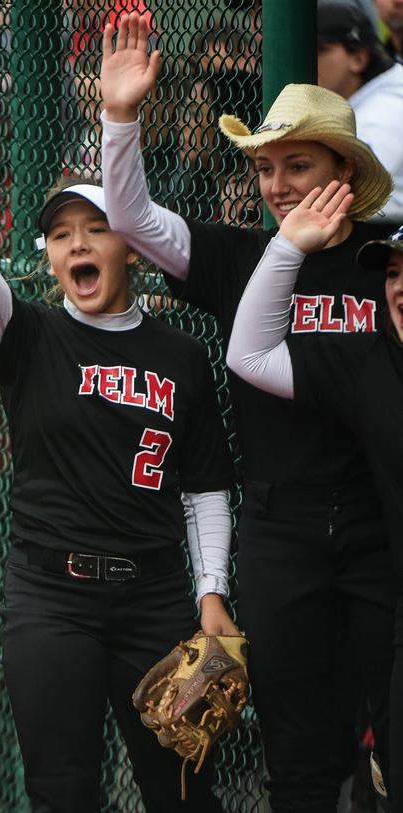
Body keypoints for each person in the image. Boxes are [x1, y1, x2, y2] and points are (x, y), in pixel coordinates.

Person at [100, 12, 397, 810]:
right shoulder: (239, 254)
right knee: (300, 756)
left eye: (297, 164)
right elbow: (130, 219)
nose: (276, 185)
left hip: (381, 527)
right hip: (281, 529)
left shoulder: (386, 260)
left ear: (343, 167)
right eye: (265, 168)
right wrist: (121, 117)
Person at [0, 100, 239, 812]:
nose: (76, 245)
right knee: (62, 788)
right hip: (50, 598)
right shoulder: (30, 336)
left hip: (154, 599)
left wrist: (210, 593)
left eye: (95, 229)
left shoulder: (182, 356)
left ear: (129, 244)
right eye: (61, 235)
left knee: (182, 787)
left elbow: (206, 488)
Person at [225, 185, 403, 804]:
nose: (400, 288)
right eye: (394, 274)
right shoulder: (369, 365)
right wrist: (285, 247)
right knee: (324, 764)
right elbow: (249, 354)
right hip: (325, 547)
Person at [317, 0, 403, 222]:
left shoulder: (386, 108)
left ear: (358, 58)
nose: (307, 60)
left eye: (319, 50)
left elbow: (357, 194)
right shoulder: (374, 96)